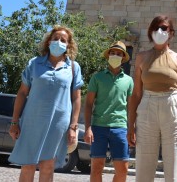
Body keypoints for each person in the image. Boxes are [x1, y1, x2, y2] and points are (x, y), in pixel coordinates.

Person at [9, 25, 83, 182]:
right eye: (55, 38)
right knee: (27, 165)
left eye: (63, 40)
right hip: (32, 121)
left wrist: (73, 126)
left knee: (48, 165)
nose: (58, 42)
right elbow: (22, 93)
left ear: (68, 45)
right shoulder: (34, 64)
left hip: (58, 123)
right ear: (48, 42)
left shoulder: (73, 67)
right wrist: (15, 121)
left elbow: (76, 98)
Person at [127, 15, 177, 182]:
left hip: (173, 106)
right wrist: (131, 125)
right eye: (156, 28)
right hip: (148, 105)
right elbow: (136, 93)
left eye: (164, 28)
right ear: (150, 32)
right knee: (144, 162)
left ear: (171, 33)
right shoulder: (142, 56)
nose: (159, 31)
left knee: (174, 161)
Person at [84, 41, 134, 182]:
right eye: (113, 53)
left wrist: (132, 128)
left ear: (123, 58)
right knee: (96, 167)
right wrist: (88, 128)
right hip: (98, 127)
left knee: (123, 169)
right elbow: (88, 104)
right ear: (108, 56)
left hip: (120, 128)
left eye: (119, 54)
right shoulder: (97, 77)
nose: (115, 55)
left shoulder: (129, 81)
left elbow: (131, 107)